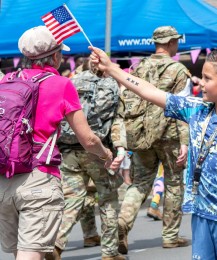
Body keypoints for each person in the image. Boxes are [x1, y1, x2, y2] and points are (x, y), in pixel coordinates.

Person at [90, 45, 217, 260]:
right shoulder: (196, 109)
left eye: (208, 79)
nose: (201, 83)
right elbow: (149, 91)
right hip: (201, 215)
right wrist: (111, 68)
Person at [0, 26, 113, 260]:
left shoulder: (8, 81)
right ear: (54, 56)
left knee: (19, 253)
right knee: (30, 255)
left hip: (5, 178)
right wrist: (105, 155)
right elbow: (88, 139)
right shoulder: (61, 84)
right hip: (39, 178)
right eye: (60, 52)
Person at [116, 26, 190, 254]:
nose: (177, 44)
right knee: (174, 183)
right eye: (176, 41)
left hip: (142, 134)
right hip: (170, 134)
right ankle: (170, 236)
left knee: (140, 183)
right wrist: (185, 142)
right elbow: (182, 107)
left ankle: (122, 223)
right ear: (169, 43)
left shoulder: (138, 68)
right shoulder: (178, 70)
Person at [50, 64, 126, 260]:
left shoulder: (73, 82)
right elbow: (116, 121)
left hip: (69, 149)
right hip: (97, 150)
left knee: (72, 198)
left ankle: (57, 243)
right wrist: (120, 148)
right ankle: (109, 252)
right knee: (108, 199)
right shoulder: (111, 86)